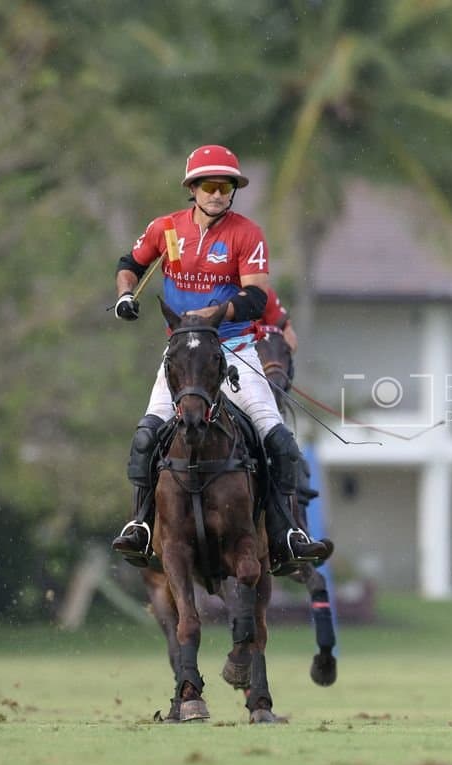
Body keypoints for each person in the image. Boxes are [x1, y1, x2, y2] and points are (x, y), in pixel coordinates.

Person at [110, 144, 331, 574]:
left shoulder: (246, 234)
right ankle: (140, 525)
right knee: (145, 438)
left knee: (278, 440)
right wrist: (124, 295)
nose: (218, 194)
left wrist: (212, 316)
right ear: (193, 188)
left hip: (234, 348)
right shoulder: (166, 229)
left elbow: (254, 298)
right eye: (210, 186)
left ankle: (287, 534)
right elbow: (129, 263)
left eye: (226, 187)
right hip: (183, 353)